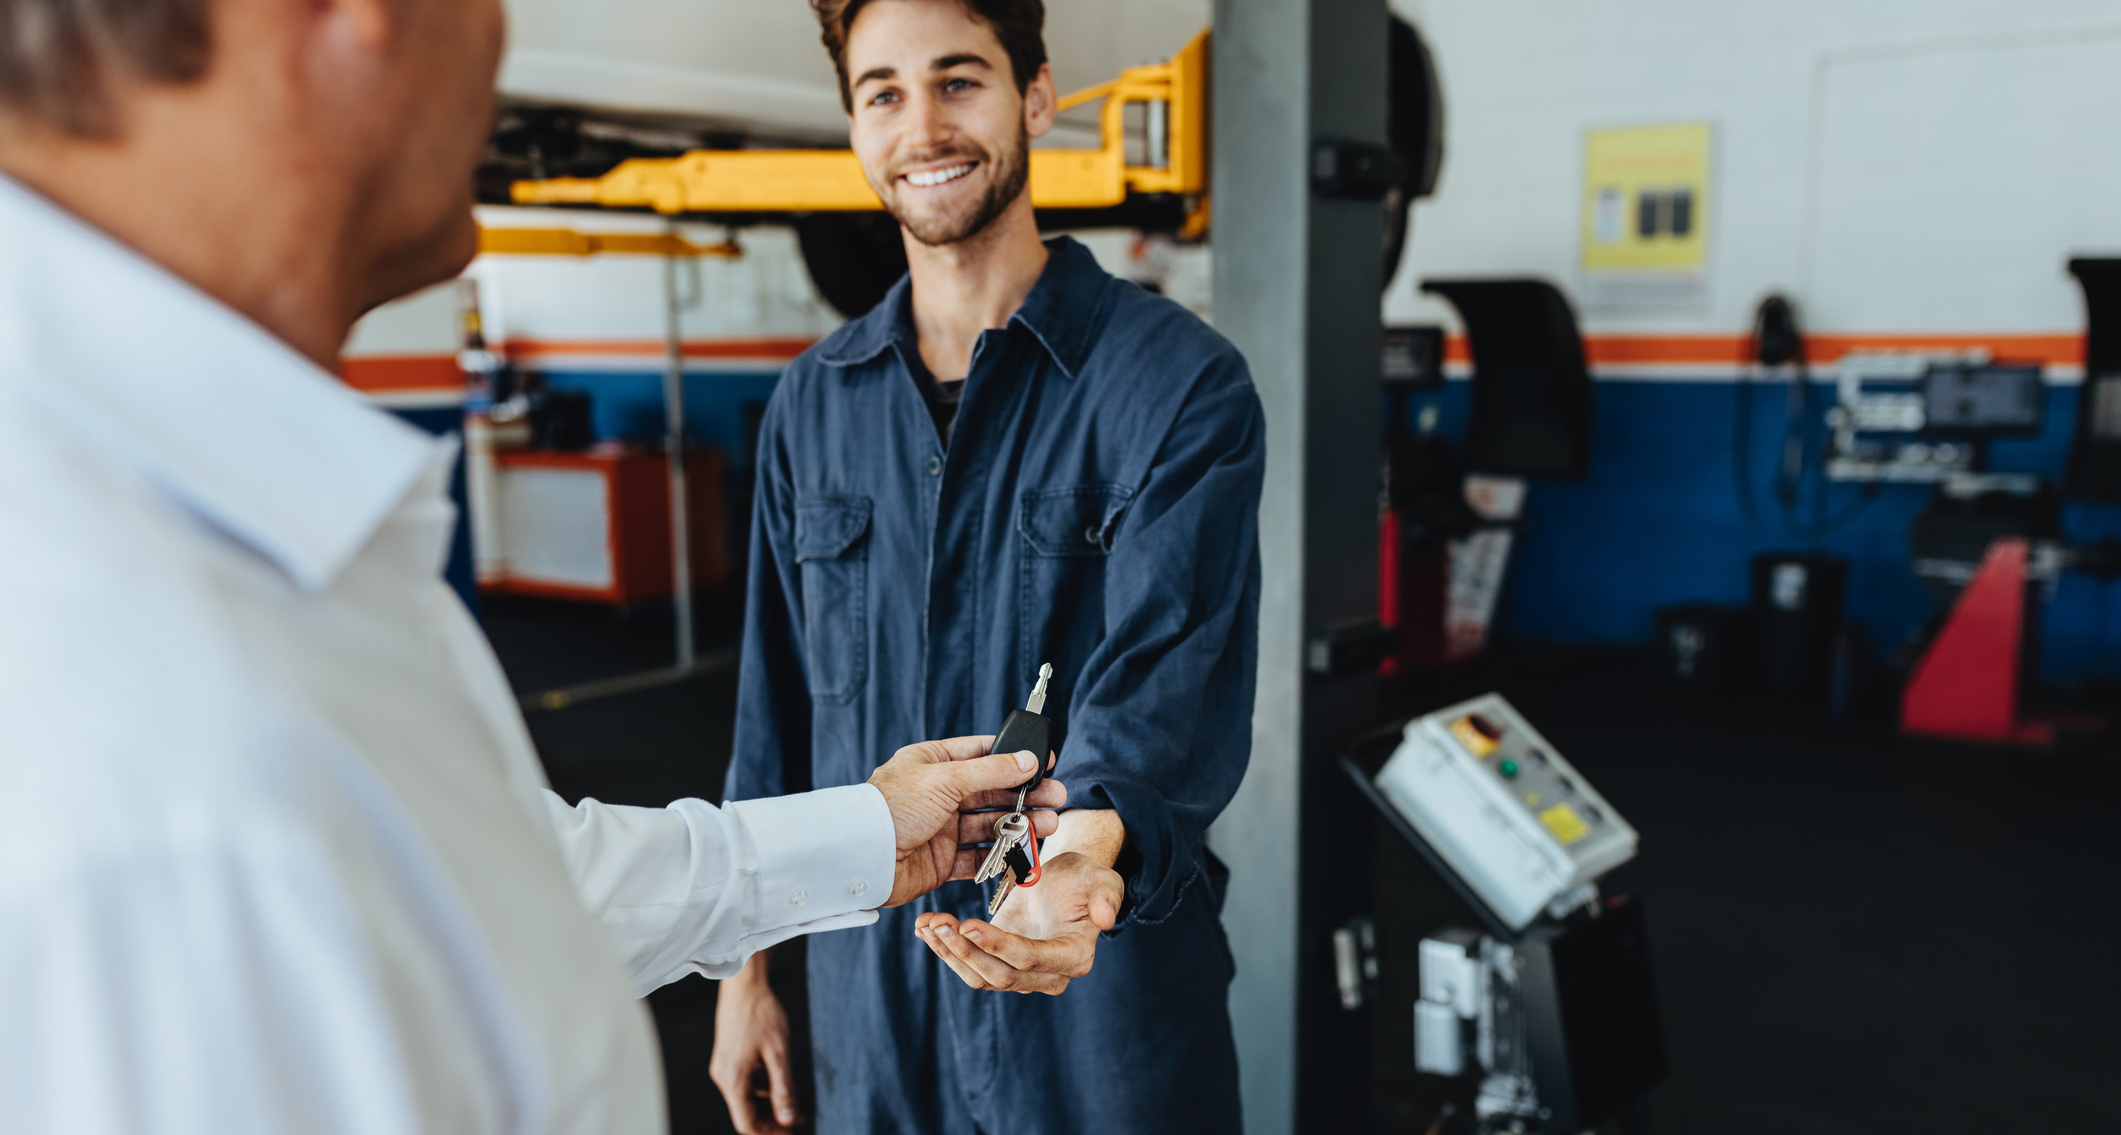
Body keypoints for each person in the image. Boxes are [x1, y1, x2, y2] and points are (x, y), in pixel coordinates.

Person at [0, 0, 1067, 1129]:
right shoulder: (130, 716)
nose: (497, 35)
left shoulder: (227, 550)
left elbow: (504, 885)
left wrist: (866, 829)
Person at [715, 0, 1265, 1131]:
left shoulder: (1178, 385)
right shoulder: (813, 403)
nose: (922, 128)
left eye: (958, 80)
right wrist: (743, 972)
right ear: (854, 126)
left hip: (1092, 989)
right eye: (884, 93)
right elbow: (773, 713)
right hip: (872, 994)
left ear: (1037, 96)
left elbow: (1162, 689)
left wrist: (1080, 856)